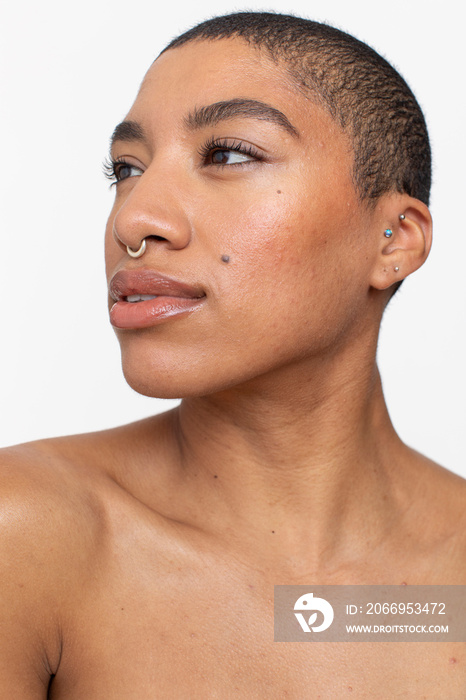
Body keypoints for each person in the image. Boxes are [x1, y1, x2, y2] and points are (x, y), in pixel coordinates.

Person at [1, 11, 464, 698]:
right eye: (125, 168)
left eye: (228, 154)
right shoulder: (29, 534)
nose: (134, 220)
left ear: (394, 239)